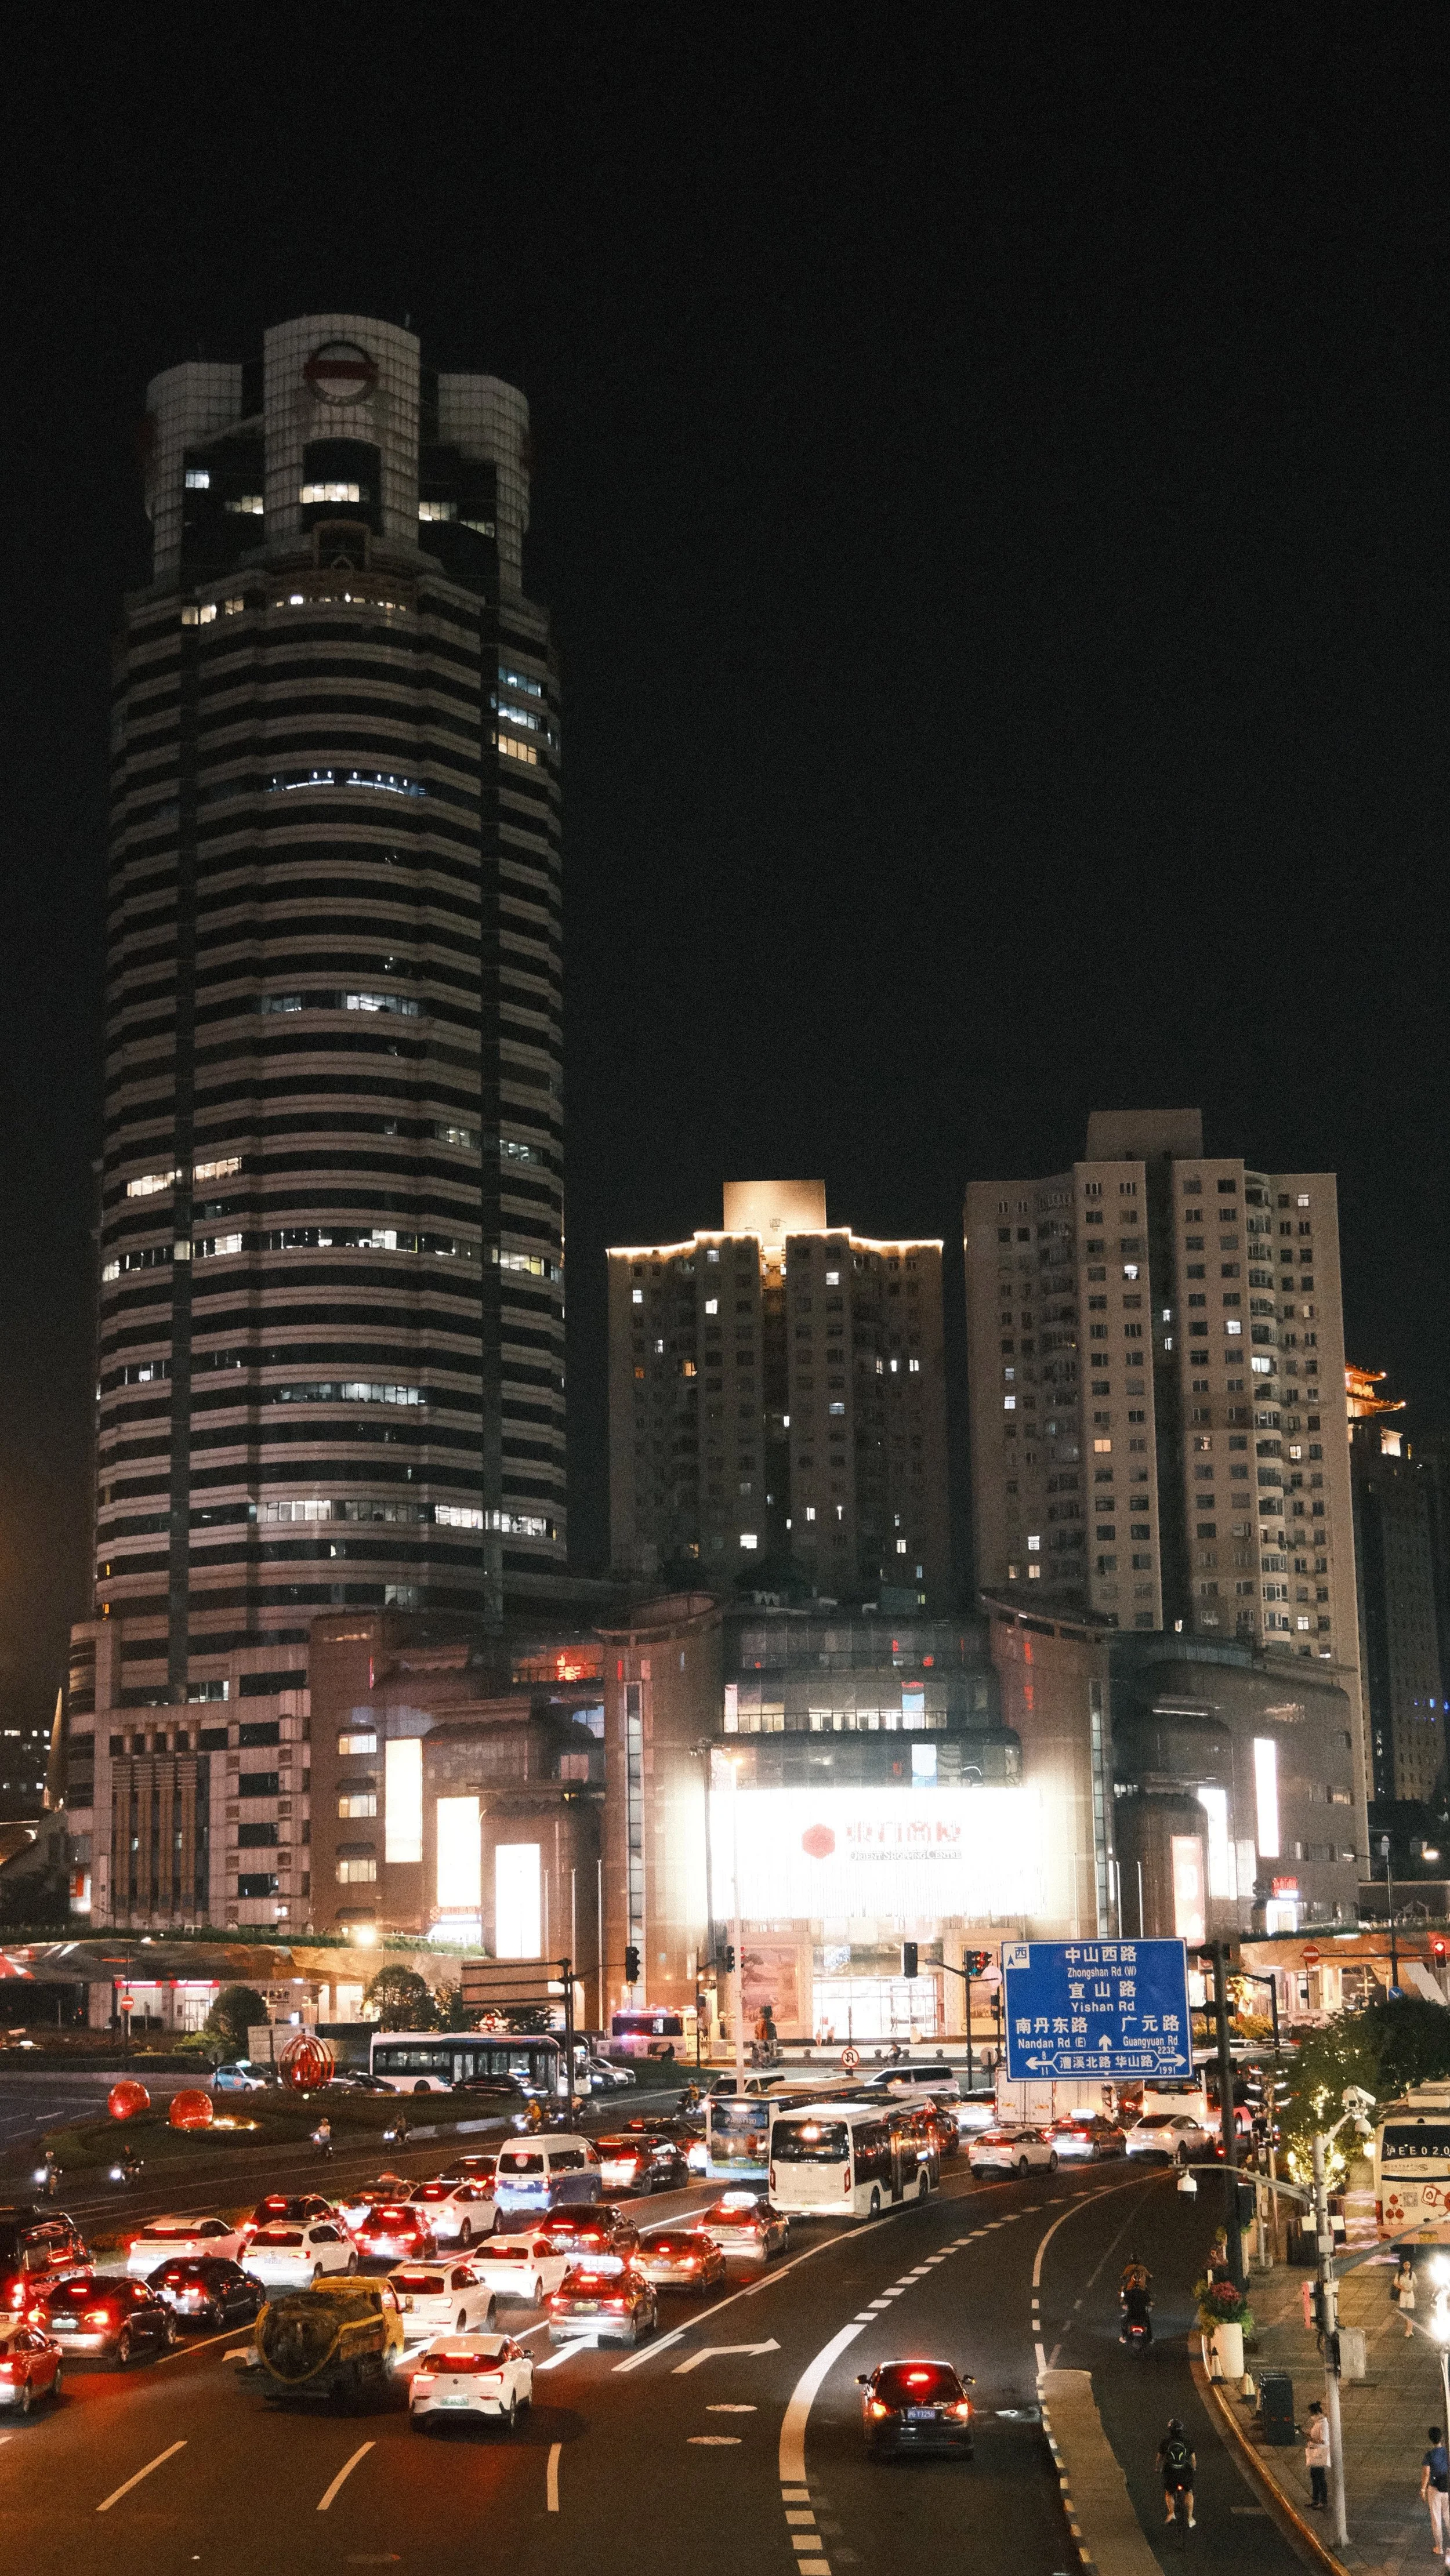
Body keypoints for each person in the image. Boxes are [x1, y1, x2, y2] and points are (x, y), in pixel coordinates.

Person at [1158, 2420, 1196, 2528]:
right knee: (1189, 2492)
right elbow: (1193, 2459)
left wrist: (1158, 2468)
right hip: (1185, 2472)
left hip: (1171, 2472)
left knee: (1169, 2492)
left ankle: (1171, 2513)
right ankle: (1190, 2518)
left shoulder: (1165, 2442)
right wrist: (1194, 2468)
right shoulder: (1187, 2442)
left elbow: (1159, 2458)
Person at [1423, 2425, 1450, 2561]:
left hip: (1434, 2490)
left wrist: (1423, 2489)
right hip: (1447, 2488)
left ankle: (1439, 2547)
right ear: (1442, 2438)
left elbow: (1427, 2473)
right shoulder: (1447, 2452)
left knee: (1436, 2519)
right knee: (1448, 2517)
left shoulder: (1429, 2455)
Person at [1305, 2401, 1331, 2511]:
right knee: (1314, 2477)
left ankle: (1322, 2501)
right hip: (1314, 2452)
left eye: (1311, 2414)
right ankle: (1315, 2499)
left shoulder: (1323, 2424)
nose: (1311, 2416)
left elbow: (1323, 2440)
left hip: (1319, 2454)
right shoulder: (1318, 2423)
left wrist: (1311, 2439)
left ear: (1317, 2413)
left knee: (1320, 2478)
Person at [1396, 2254, 1418, 2338]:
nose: (1407, 2266)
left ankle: (1409, 2330)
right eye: (1405, 2264)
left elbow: (1416, 2283)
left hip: (1410, 2294)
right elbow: (1396, 2283)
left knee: (1410, 2312)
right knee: (1405, 2313)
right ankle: (1408, 2330)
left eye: (1408, 2265)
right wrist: (1403, 2288)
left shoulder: (1412, 2274)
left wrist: (1410, 2289)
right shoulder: (1399, 2274)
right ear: (1403, 2265)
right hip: (1403, 2294)